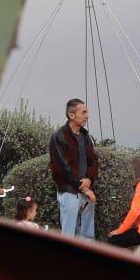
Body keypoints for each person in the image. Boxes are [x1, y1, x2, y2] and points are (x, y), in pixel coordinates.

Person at [49, 98, 98, 238]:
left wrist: (89, 178)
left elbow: (93, 160)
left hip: (86, 192)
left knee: (87, 236)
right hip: (69, 192)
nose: (87, 115)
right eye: (83, 112)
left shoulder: (85, 136)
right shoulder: (59, 136)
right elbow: (62, 167)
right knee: (68, 236)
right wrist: (83, 186)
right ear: (71, 115)